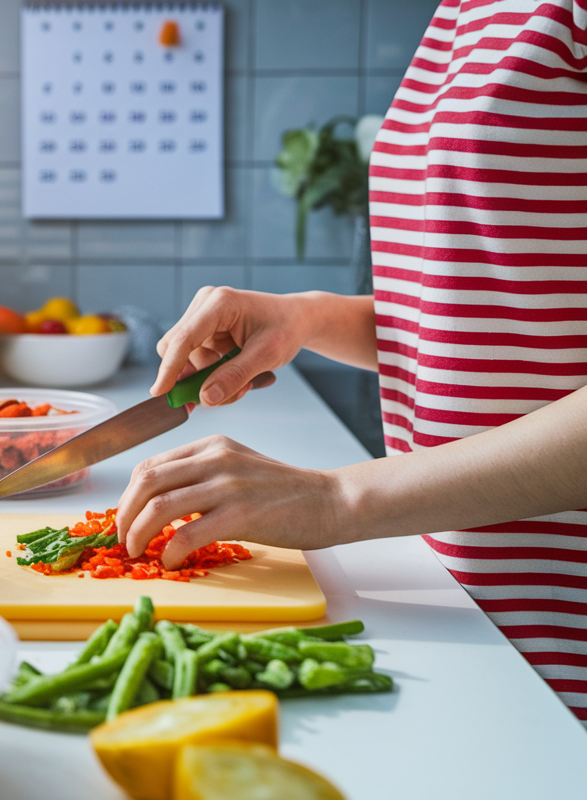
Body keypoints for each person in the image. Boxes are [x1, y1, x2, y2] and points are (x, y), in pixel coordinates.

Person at [115, 0, 587, 725]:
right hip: (463, 607)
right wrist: (306, 316)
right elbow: (491, 312)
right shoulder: (465, 11)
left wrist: (337, 499)